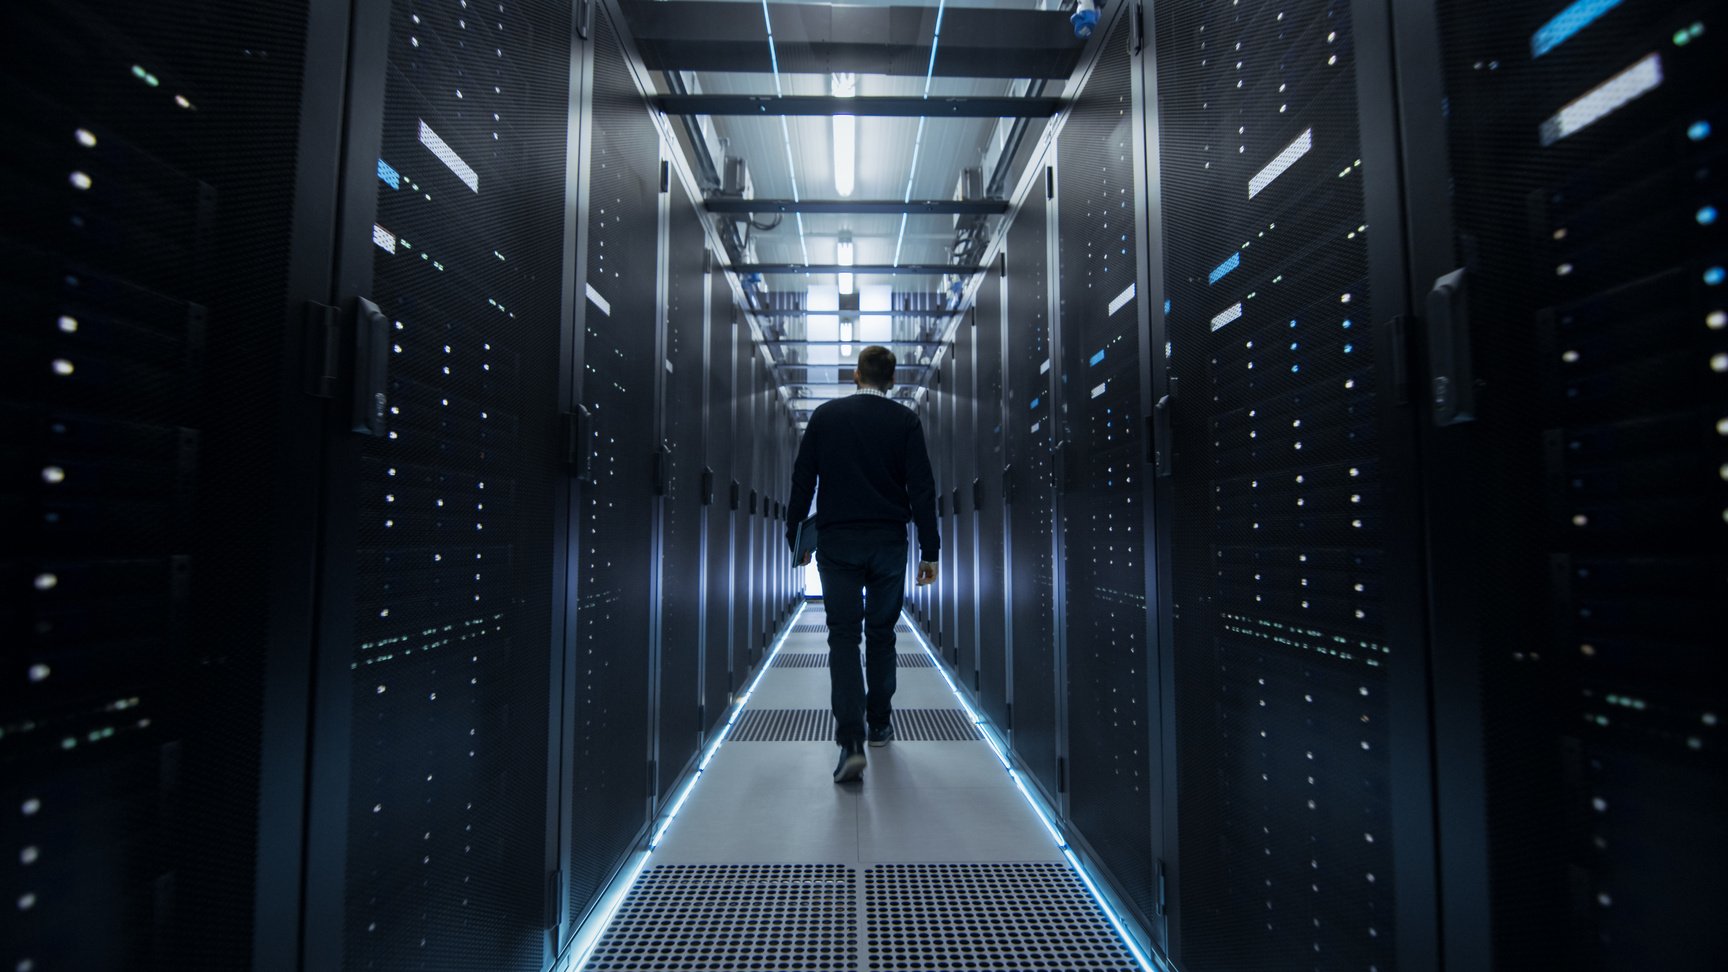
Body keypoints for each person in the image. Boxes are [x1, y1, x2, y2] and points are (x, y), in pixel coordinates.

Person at [786, 345, 940, 784]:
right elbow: (922, 489)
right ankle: (878, 724)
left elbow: (803, 480)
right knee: (881, 634)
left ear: (856, 375)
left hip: (838, 542)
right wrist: (930, 550)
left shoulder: (826, 417)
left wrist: (795, 537)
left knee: (842, 637)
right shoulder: (906, 422)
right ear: (891, 381)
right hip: (889, 542)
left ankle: (850, 740)